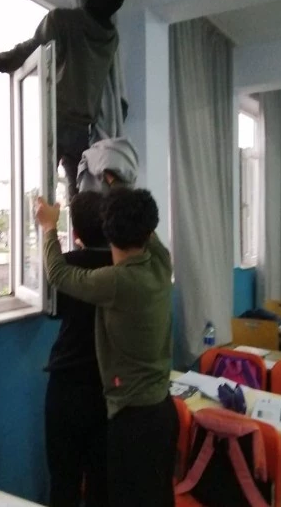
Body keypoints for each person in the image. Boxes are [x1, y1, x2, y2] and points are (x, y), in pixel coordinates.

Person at [36, 186, 178, 507]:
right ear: (148, 231)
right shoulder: (161, 263)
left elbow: (58, 273)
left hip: (132, 420)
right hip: (163, 411)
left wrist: (48, 226)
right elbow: (145, 225)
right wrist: (115, 186)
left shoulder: (115, 281)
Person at [0, 0, 129, 200]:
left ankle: (46, 221)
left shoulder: (62, 20)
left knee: (44, 192)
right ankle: (78, 223)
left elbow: (30, 51)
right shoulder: (111, 38)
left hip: (55, 118)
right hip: (84, 128)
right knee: (79, 195)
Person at [44, 191, 111, 507]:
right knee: (101, 481)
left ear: (75, 233)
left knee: (63, 479)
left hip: (67, 384)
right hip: (108, 388)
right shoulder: (124, 268)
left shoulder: (69, 264)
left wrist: (47, 227)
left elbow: (54, 277)